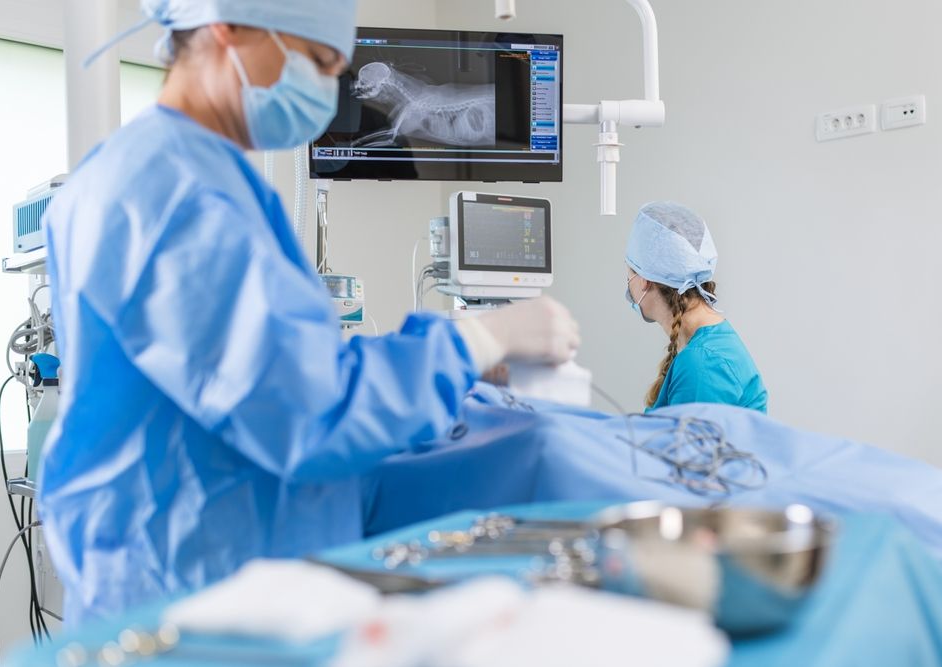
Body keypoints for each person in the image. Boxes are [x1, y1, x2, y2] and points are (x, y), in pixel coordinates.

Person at [38, 0, 580, 624]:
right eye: (318, 61)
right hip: (191, 598)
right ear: (229, 27)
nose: (327, 87)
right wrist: (475, 342)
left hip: (213, 574)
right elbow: (306, 406)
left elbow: (276, 368)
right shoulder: (173, 192)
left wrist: (459, 360)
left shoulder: (186, 175)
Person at [624, 202, 767, 413]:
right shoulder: (704, 347)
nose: (628, 283)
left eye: (629, 274)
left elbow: (685, 445)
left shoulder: (702, 363)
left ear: (644, 280)